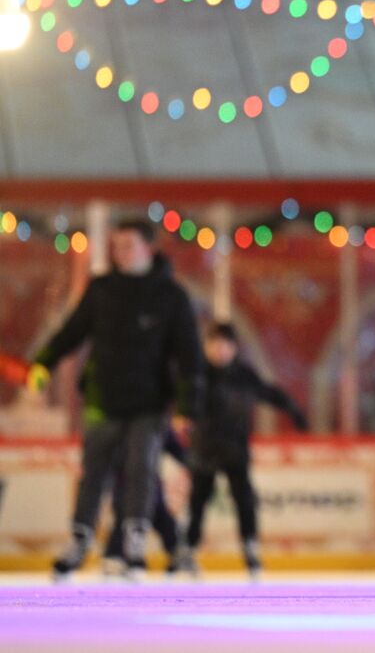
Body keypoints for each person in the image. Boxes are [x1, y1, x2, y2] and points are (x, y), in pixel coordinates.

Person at [28, 218, 203, 582]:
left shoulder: (170, 296)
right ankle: (79, 541)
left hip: (150, 403)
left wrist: (188, 406)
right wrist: (43, 362)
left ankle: (134, 545)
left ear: (148, 248)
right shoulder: (102, 289)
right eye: (116, 246)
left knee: (142, 471)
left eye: (127, 245)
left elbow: (189, 356)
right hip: (103, 398)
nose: (119, 253)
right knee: (94, 473)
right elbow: (72, 331)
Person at [185, 322, 307, 581]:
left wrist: (293, 410)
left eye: (224, 345)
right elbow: (178, 401)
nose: (219, 350)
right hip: (204, 449)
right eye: (214, 344)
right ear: (206, 347)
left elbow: (268, 392)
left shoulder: (243, 375)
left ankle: (250, 551)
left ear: (234, 347)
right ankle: (188, 552)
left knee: (245, 502)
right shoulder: (197, 374)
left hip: (236, 450)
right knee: (198, 502)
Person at [100, 423, 188, 579]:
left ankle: (177, 553)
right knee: (124, 516)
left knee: (159, 517)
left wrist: (191, 461)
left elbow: (176, 448)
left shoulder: (155, 420)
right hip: (124, 482)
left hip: (149, 483)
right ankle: (116, 558)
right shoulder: (119, 422)